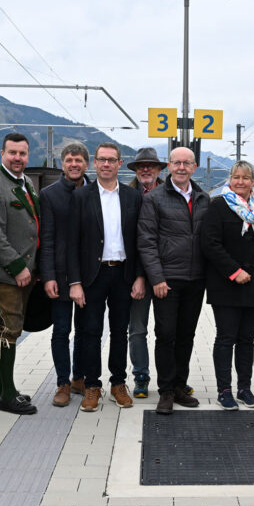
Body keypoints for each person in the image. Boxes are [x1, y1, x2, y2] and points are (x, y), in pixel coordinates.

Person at [68, 143, 144, 412]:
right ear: (95, 163)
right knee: (90, 332)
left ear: (120, 164)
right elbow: (72, 244)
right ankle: (92, 386)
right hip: (93, 275)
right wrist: (74, 282)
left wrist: (139, 276)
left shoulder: (133, 197)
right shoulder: (81, 197)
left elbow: (140, 241)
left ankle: (118, 383)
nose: (106, 164)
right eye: (102, 159)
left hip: (123, 273)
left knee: (120, 332)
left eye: (112, 160)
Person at [137, 146, 210, 415]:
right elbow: (146, 241)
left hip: (196, 279)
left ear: (194, 167)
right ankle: (166, 390)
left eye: (186, 163)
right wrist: (156, 277)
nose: (181, 167)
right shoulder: (154, 198)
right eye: (176, 162)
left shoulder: (203, 198)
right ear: (169, 165)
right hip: (167, 280)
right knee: (165, 335)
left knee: (186, 336)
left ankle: (180, 385)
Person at [0, 132, 40, 415]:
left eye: (22, 153)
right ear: (2, 153)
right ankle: (8, 395)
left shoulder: (24, 182)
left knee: (5, 325)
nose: (17, 158)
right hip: (8, 273)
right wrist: (17, 267)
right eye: (12, 153)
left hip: (26, 271)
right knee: (11, 329)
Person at [201, 161, 254, 410]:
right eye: (236, 177)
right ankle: (224, 390)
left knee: (247, 339)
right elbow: (210, 244)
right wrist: (234, 271)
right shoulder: (219, 205)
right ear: (230, 180)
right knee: (226, 338)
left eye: (246, 178)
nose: (240, 182)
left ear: (253, 181)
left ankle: (245, 389)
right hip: (226, 284)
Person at [39, 141, 90, 407]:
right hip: (59, 275)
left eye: (79, 160)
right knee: (61, 330)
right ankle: (62, 382)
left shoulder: (96, 192)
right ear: (62, 164)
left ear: (86, 164)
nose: (74, 164)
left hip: (89, 275)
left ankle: (79, 376)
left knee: (85, 329)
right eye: (69, 160)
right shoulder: (49, 195)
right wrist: (48, 276)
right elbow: (45, 238)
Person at [126, 147, 166, 398]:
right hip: (136, 276)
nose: (146, 169)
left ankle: (171, 379)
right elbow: (131, 240)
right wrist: (140, 276)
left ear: (160, 169)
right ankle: (141, 376)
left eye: (151, 165)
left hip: (166, 274)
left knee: (167, 331)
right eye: (141, 166)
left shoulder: (170, 193)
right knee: (137, 330)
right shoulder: (127, 195)